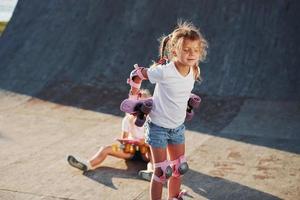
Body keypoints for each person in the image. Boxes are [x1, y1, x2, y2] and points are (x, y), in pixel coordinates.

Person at [126, 21, 208, 200]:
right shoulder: (163, 72)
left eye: (195, 49)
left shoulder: (194, 69)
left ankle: (174, 197)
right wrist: (134, 93)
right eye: (186, 49)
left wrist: (187, 104)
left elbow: (179, 89)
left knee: (179, 167)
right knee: (162, 171)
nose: (191, 54)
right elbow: (138, 74)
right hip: (158, 128)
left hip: (177, 127)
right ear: (174, 52)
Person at [67, 89, 152, 172]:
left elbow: (157, 141)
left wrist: (144, 143)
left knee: (154, 155)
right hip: (131, 150)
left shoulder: (151, 120)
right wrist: (126, 141)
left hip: (146, 151)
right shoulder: (127, 120)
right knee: (106, 149)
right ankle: (87, 164)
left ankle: (151, 171)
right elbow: (124, 140)